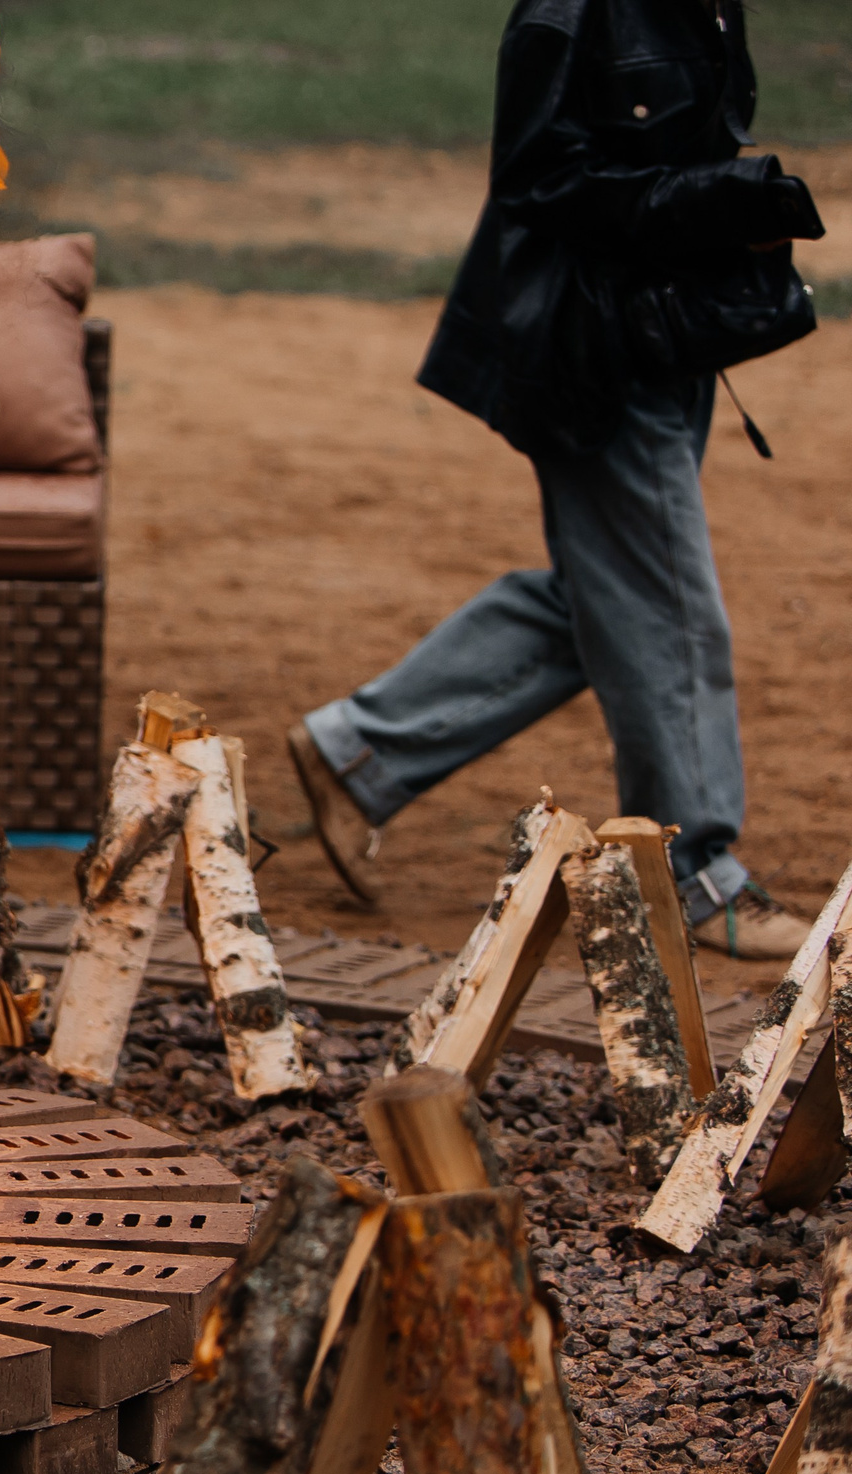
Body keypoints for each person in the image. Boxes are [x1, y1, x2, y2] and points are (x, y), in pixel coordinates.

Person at [286, 0, 826, 959]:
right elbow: (540, 181)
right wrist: (718, 203)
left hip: (665, 334)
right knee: (661, 603)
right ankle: (694, 875)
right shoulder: (570, 13)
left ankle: (359, 751)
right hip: (592, 351)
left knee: (612, 595)